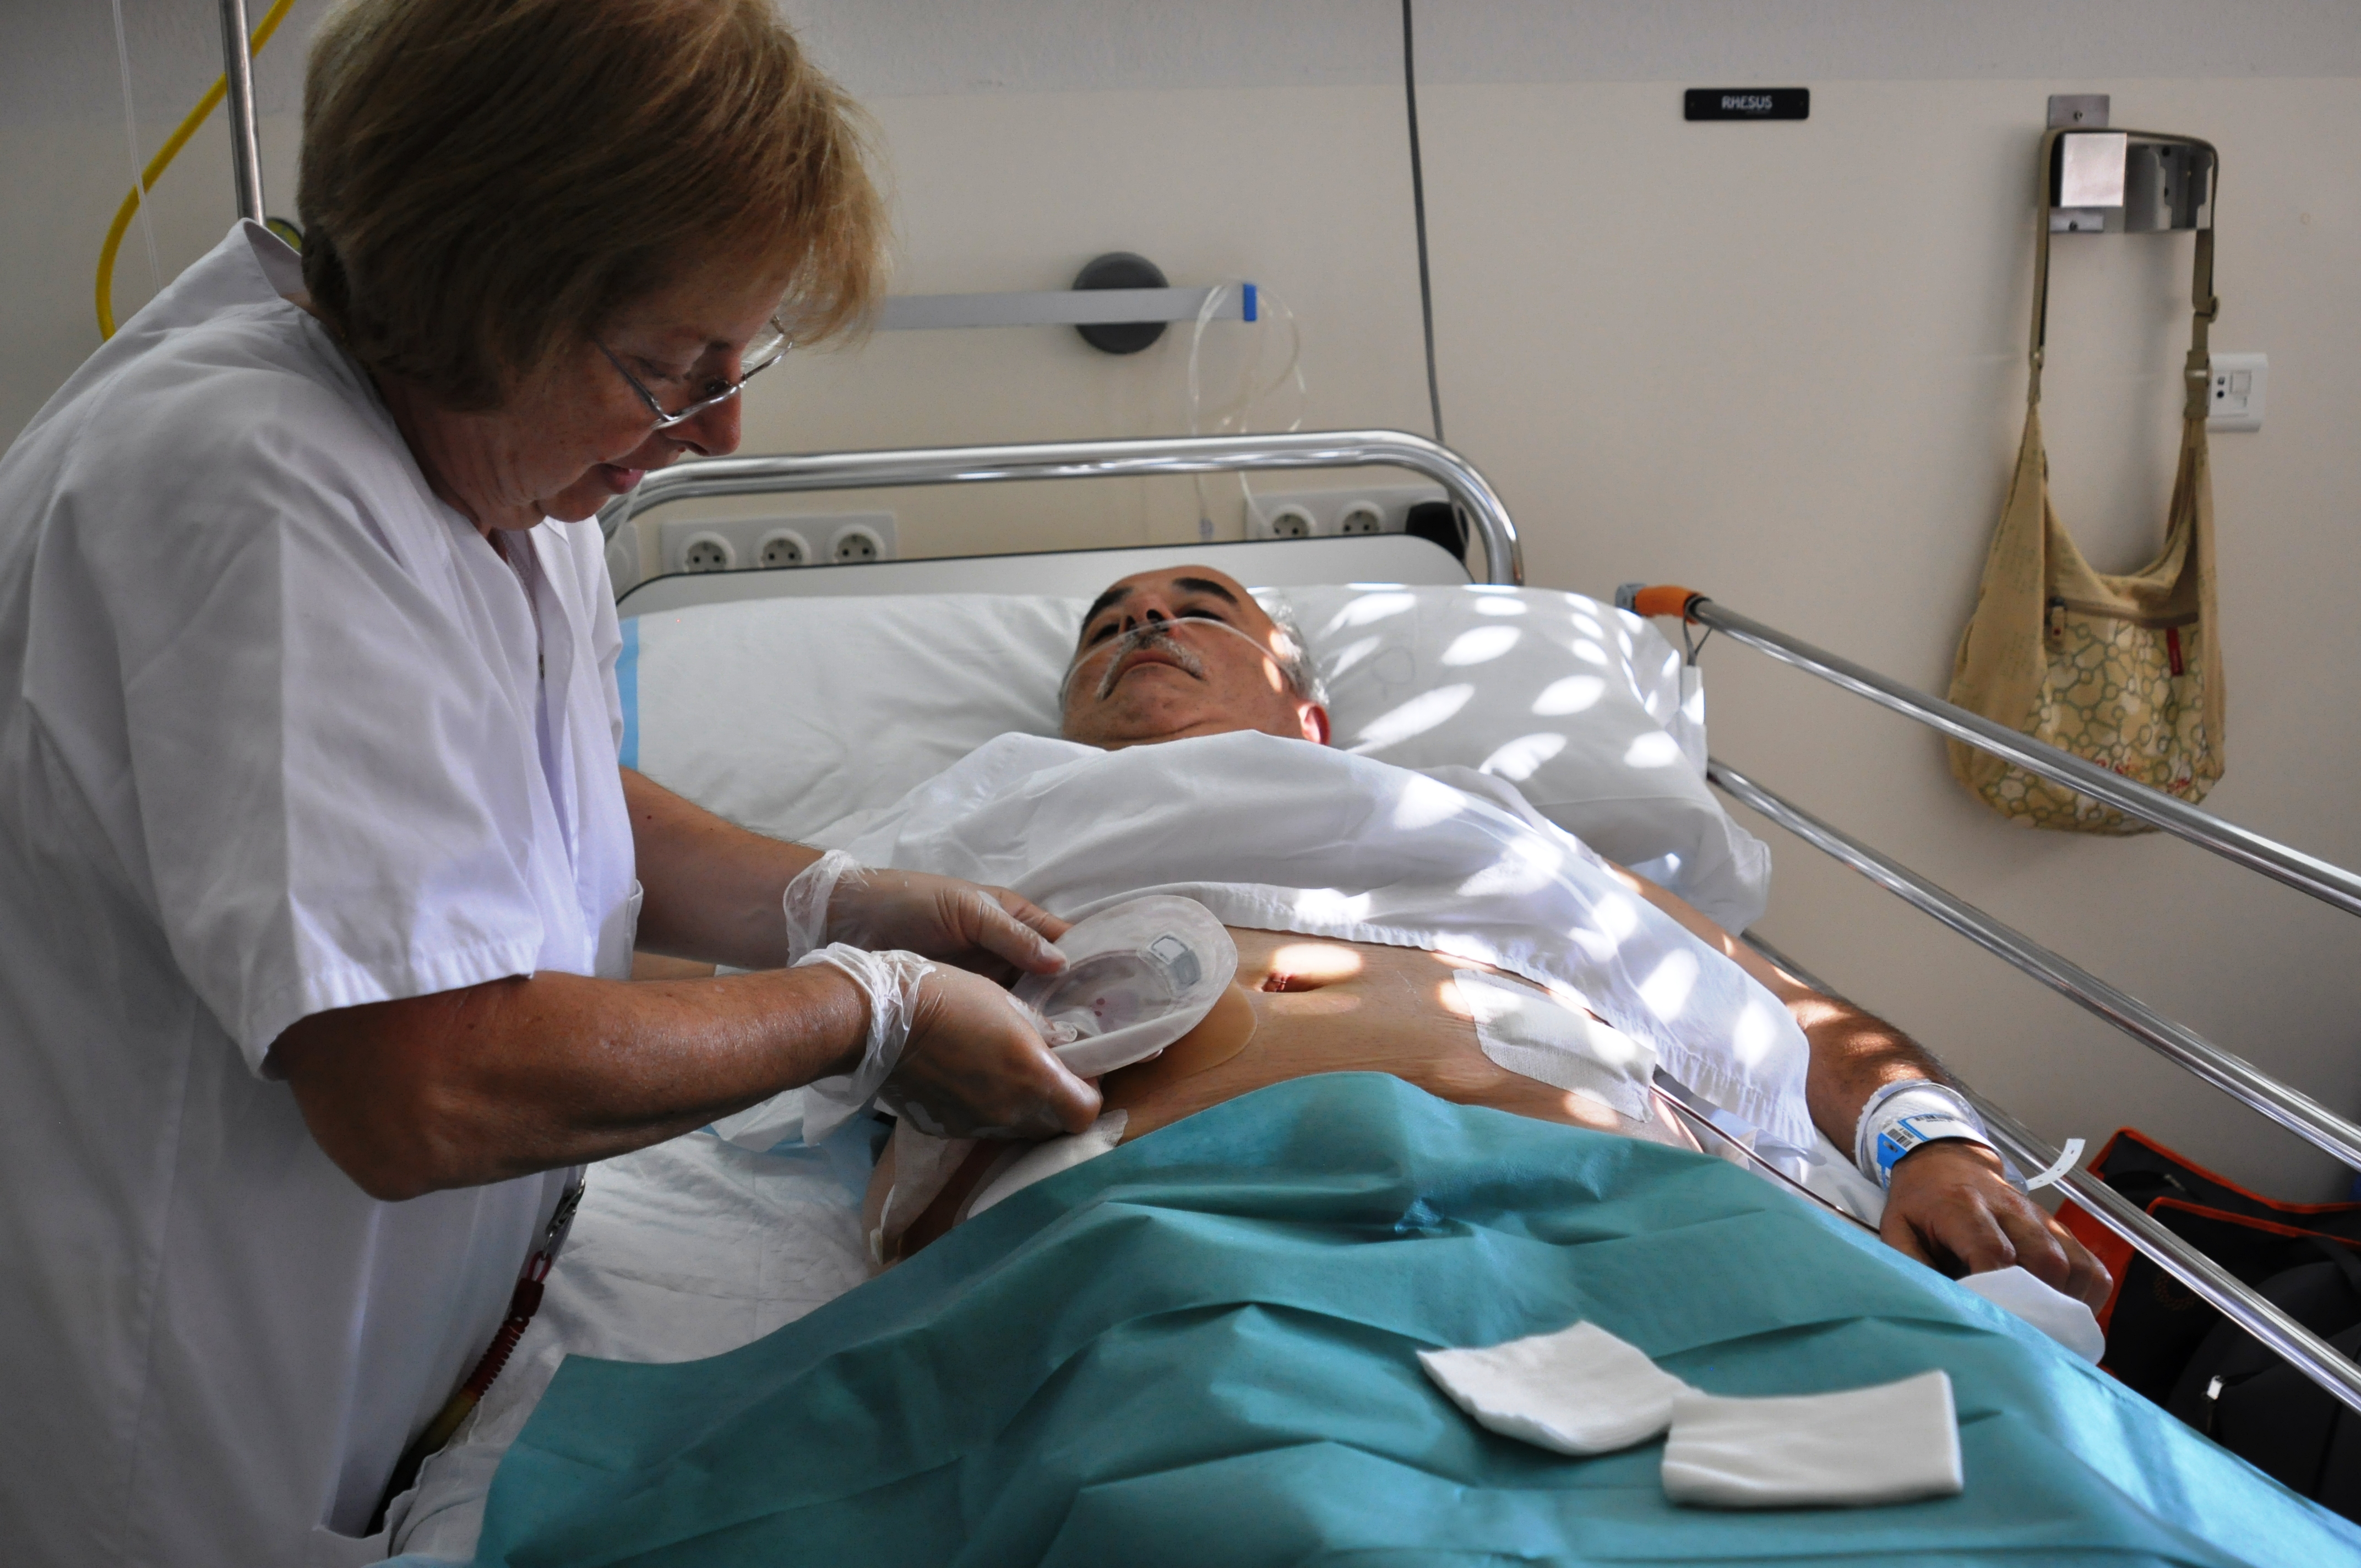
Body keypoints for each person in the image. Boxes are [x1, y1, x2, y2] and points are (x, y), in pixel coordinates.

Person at [0, 4, 1095, 1565]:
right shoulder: (249, 490)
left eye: (738, 360)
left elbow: (538, 775)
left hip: (400, 1386)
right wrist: (862, 1012)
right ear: (479, 288)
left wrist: (827, 899)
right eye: (672, 369)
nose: (719, 430)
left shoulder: (501, 460)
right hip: (177, 1435)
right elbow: (420, 1083)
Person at [878, 565, 2108, 1311]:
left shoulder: (1476, 811)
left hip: (1613, 1207)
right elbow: (788, 1001)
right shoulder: (972, 813)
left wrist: (1936, 1148)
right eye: (1107, 627)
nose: (1147, 619)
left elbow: (1787, 1009)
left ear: (1309, 713)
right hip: (1129, 1240)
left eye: (1200, 609)